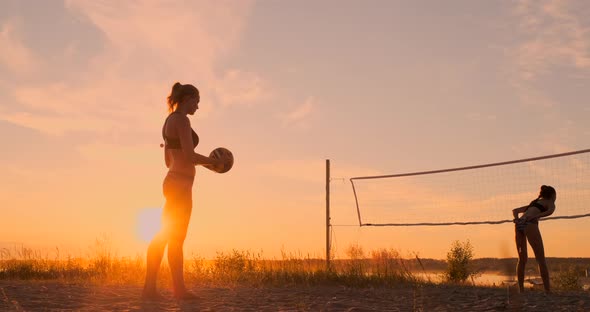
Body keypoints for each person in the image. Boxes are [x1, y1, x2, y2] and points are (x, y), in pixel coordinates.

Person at [142, 82, 229, 300]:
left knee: (166, 237)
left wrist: (205, 164)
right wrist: (213, 162)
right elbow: (189, 156)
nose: (197, 107)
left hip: (174, 181)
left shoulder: (168, 121)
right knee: (173, 238)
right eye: (196, 102)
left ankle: (151, 289)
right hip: (180, 184)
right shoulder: (182, 119)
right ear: (188, 98)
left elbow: (168, 160)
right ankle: (175, 290)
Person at [512, 185, 556, 293]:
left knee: (522, 259)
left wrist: (517, 219)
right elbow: (550, 211)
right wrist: (536, 216)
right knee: (541, 259)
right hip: (530, 224)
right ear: (552, 195)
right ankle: (547, 290)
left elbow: (515, 210)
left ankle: (521, 290)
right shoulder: (549, 202)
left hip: (519, 225)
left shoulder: (534, 203)